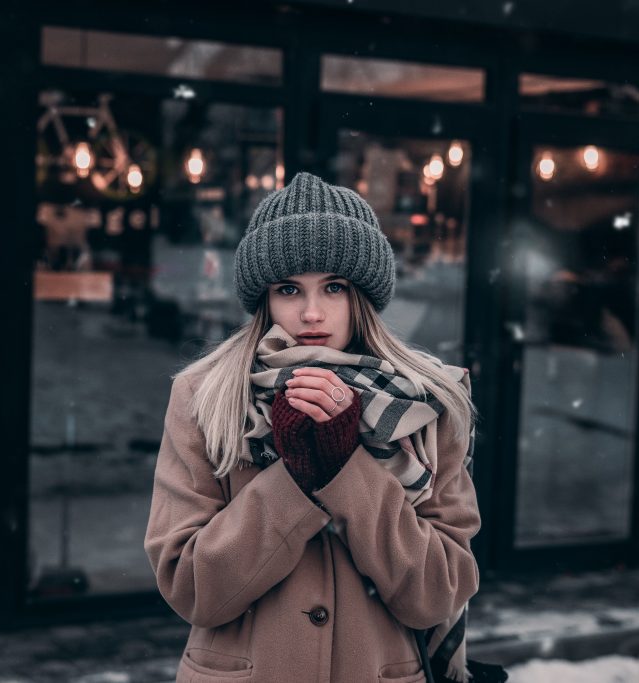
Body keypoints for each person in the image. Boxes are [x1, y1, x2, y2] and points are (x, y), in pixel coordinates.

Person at [145, 172, 481, 683]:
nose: (311, 312)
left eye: (334, 287)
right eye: (288, 288)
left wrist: (347, 467)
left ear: (362, 296)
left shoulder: (428, 403)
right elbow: (192, 589)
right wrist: (295, 478)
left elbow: (437, 593)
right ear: (264, 299)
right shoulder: (203, 397)